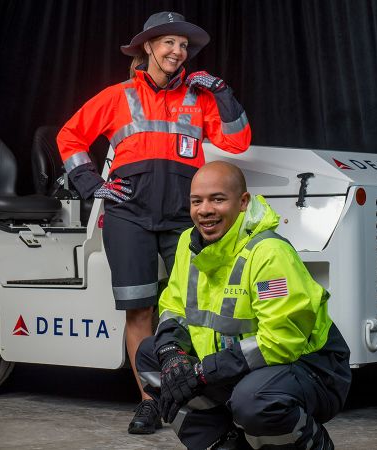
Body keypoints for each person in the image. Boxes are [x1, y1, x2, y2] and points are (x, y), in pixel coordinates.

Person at [56, 12, 251, 434]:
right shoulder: (118, 95)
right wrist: (92, 184)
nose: (177, 52)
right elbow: (69, 137)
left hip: (185, 216)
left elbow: (238, 140)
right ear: (148, 47)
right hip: (129, 216)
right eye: (168, 44)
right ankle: (149, 402)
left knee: (199, 309)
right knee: (140, 308)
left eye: (183, 46)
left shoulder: (200, 100)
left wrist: (224, 94)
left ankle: (204, 396)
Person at [135, 161, 352, 449]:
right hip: (237, 365)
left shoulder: (269, 253)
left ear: (243, 202)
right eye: (196, 201)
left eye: (218, 199)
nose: (205, 210)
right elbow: (173, 306)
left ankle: (313, 445)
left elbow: (280, 341)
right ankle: (224, 442)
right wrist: (172, 353)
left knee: (254, 400)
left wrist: (203, 372)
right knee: (152, 356)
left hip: (310, 368)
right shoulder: (189, 242)